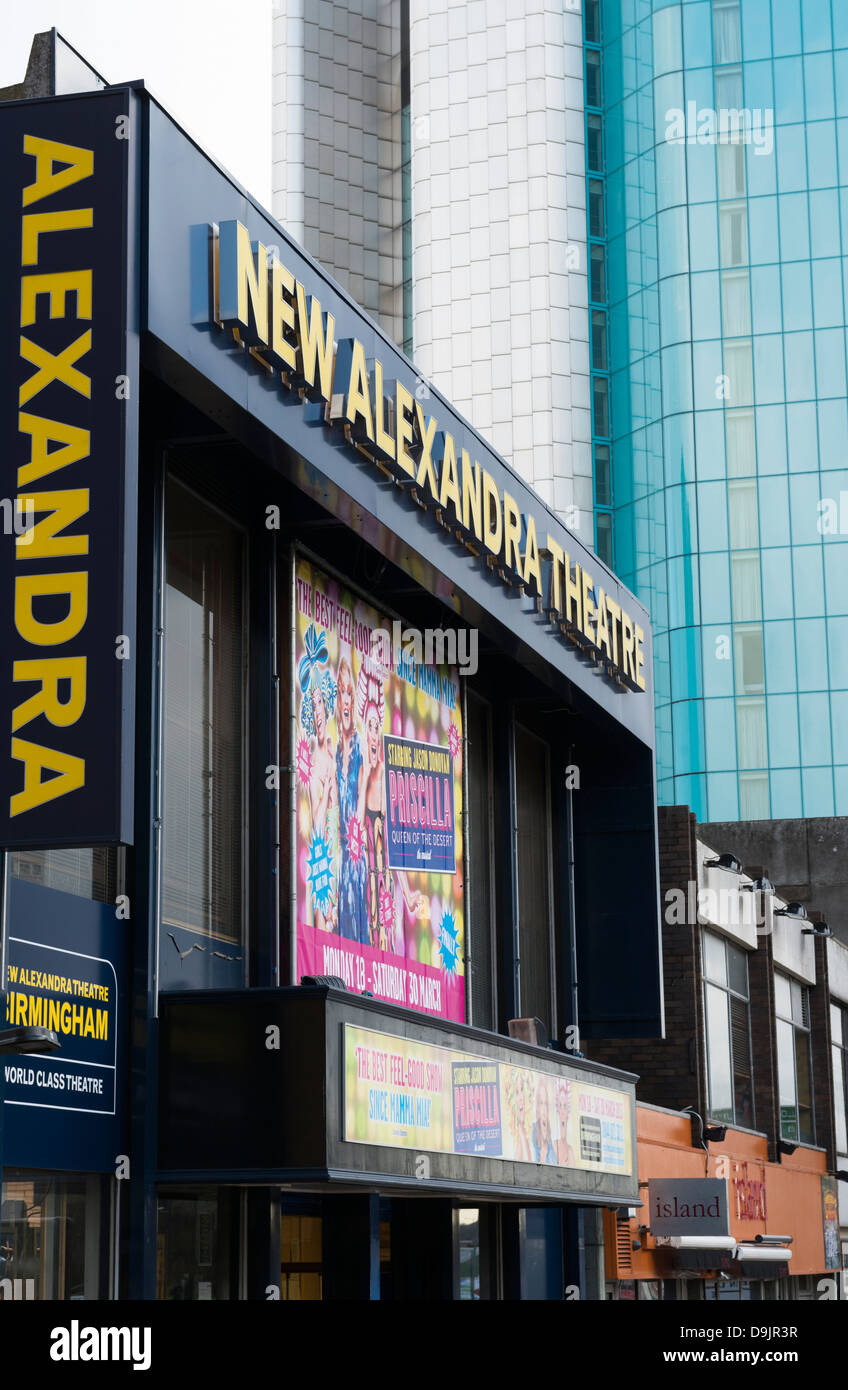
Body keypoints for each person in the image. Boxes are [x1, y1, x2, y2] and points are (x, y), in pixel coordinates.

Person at [356, 662, 423, 953]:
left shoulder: (386, 776)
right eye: (368, 727)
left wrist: (408, 895)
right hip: (365, 882)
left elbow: (395, 846)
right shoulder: (363, 774)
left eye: (375, 727)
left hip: (384, 886)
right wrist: (363, 778)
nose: (372, 733)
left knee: (384, 943)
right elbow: (358, 828)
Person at [299, 623, 338, 931]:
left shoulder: (333, 756)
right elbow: (316, 824)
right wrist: (325, 790)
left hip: (335, 854)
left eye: (321, 703)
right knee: (322, 926)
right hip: (321, 860)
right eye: (313, 707)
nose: (319, 711)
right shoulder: (315, 766)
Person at [335, 655, 368, 944]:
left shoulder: (361, 747)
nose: (345, 699)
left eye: (349, 693)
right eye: (340, 692)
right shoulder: (335, 752)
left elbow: (359, 808)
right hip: (342, 858)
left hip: (356, 857)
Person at [532, 1077, 556, 1165]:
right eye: (541, 1103)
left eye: (546, 1103)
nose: (544, 1108)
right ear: (537, 1106)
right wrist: (542, 1157)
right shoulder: (533, 1130)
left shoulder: (550, 1133)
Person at [554, 1078, 576, 1167]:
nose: (562, 1112)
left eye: (565, 1106)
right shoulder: (554, 1146)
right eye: (560, 1106)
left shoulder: (570, 1151)